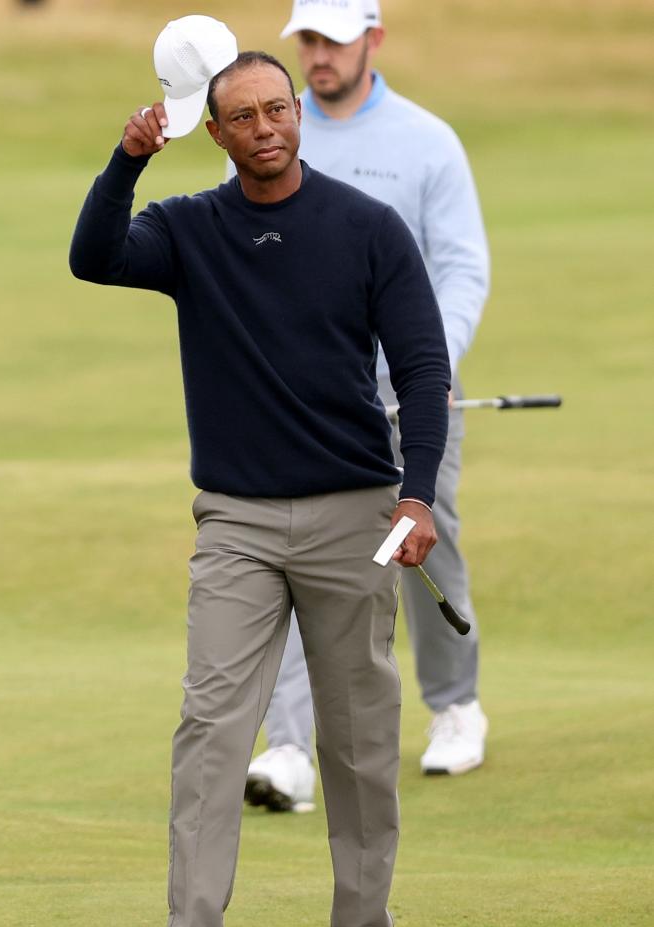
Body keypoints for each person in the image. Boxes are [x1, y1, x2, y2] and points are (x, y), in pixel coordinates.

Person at [69, 22, 450, 927]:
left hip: (353, 511)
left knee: (359, 738)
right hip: (234, 520)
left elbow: (420, 368)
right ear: (220, 133)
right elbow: (93, 255)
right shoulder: (189, 228)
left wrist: (416, 496)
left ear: (295, 115)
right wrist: (126, 160)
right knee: (211, 725)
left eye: (276, 110)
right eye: (241, 118)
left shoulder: (366, 228)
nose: (265, 128)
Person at [245, 0, 490, 813]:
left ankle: (454, 705)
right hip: (300, 396)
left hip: (407, 389)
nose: (318, 55)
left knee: (426, 537)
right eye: (307, 40)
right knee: (290, 553)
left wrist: (433, 363)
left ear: (372, 40)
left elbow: (461, 267)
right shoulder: (266, 130)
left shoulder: (426, 141)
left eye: (333, 40)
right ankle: (288, 747)